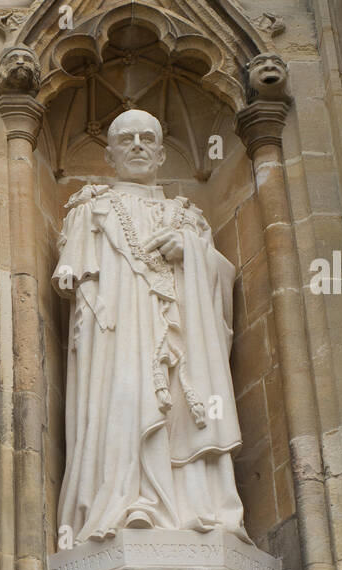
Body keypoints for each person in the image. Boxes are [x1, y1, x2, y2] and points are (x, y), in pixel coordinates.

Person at [54, 108, 249, 547]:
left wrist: (191, 254)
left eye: (147, 138)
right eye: (126, 140)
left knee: (182, 405)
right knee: (122, 402)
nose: (137, 145)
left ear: (162, 154)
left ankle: (196, 507)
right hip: (118, 332)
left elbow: (221, 280)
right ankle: (123, 504)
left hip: (181, 337)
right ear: (111, 154)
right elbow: (75, 267)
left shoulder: (187, 216)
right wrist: (71, 271)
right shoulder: (92, 207)